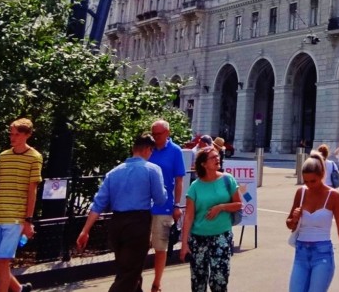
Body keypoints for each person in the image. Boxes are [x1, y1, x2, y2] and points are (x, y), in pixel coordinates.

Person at [76, 134, 167, 292]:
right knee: (129, 273)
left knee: (128, 269)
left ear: (133, 149)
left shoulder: (114, 173)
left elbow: (98, 203)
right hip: (138, 223)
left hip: (116, 223)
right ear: (147, 150)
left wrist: (85, 230)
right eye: (151, 151)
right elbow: (160, 199)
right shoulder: (152, 170)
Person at [0, 118, 43, 292]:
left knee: (3, 262)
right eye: (11, 134)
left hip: (15, 217)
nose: (12, 137)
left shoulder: (34, 157)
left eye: (17, 134)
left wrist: (28, 220)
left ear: (27, 135)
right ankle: (19, 290)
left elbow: (32, 190)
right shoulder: (3, 156)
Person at [286, 155, 339, 291]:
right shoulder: (301, 193)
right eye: (306, 181)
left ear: (322, 174)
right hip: (301, 253)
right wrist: (293, 219)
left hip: (322, 254)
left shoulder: (333, 196)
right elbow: (289, 224)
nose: (310, 185)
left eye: (313, 181)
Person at [178, 149, 241, 292]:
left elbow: (238, 204)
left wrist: (221, 207)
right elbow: (188, 216)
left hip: (222, 237)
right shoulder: (195, 187)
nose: (217, 159)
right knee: (198, 282)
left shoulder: (227, 179)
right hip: (198, 239)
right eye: (213, 158)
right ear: (204, 164)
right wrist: (184, 244)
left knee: (220, 280)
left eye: (217, 156)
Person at [148, 119, 185, 292]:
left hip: (164, 206)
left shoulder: (175, 151)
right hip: (143, 206)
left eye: (158, 134)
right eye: (153, 134)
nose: (155, 137)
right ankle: (136, 281)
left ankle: (157, 283)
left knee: (160, 247)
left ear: (167, 133)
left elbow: (179, 181)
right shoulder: (148, 148)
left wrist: (177, 205)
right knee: (139, 245)